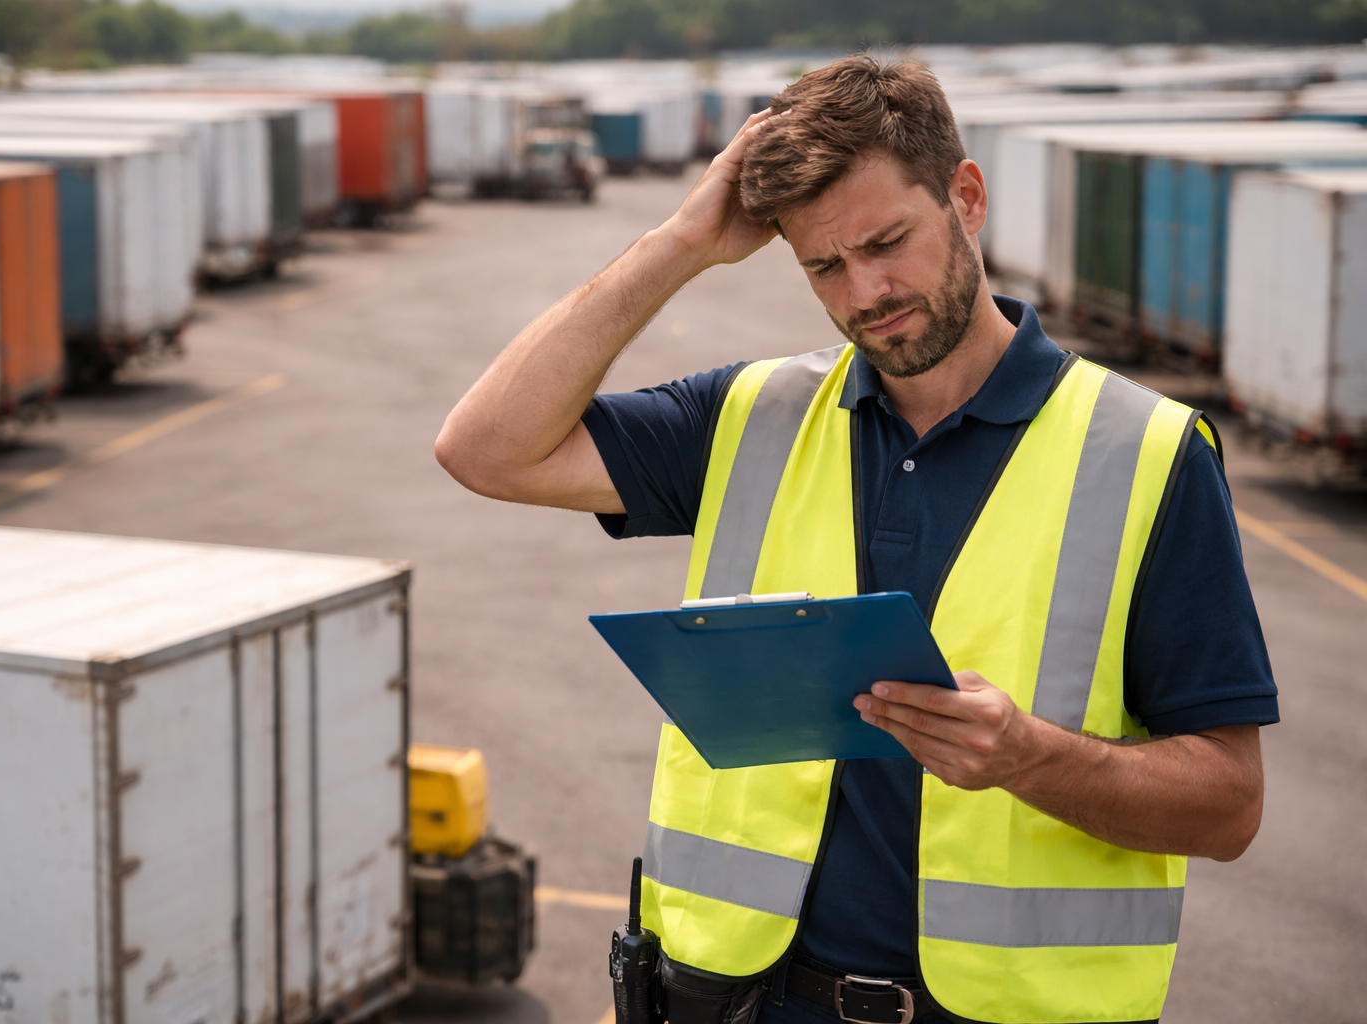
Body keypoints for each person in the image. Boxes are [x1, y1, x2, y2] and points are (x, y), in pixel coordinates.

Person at [436, 55, 1277, 1024]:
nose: (865, 292)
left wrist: (1029, 757)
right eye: (824, 266)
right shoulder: (752, 415)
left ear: (967, 198)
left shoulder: (1146, 454)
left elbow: (1230, 806)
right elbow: (484, 447)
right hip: (742, 1002)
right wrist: (681, 243)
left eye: (887, 242)